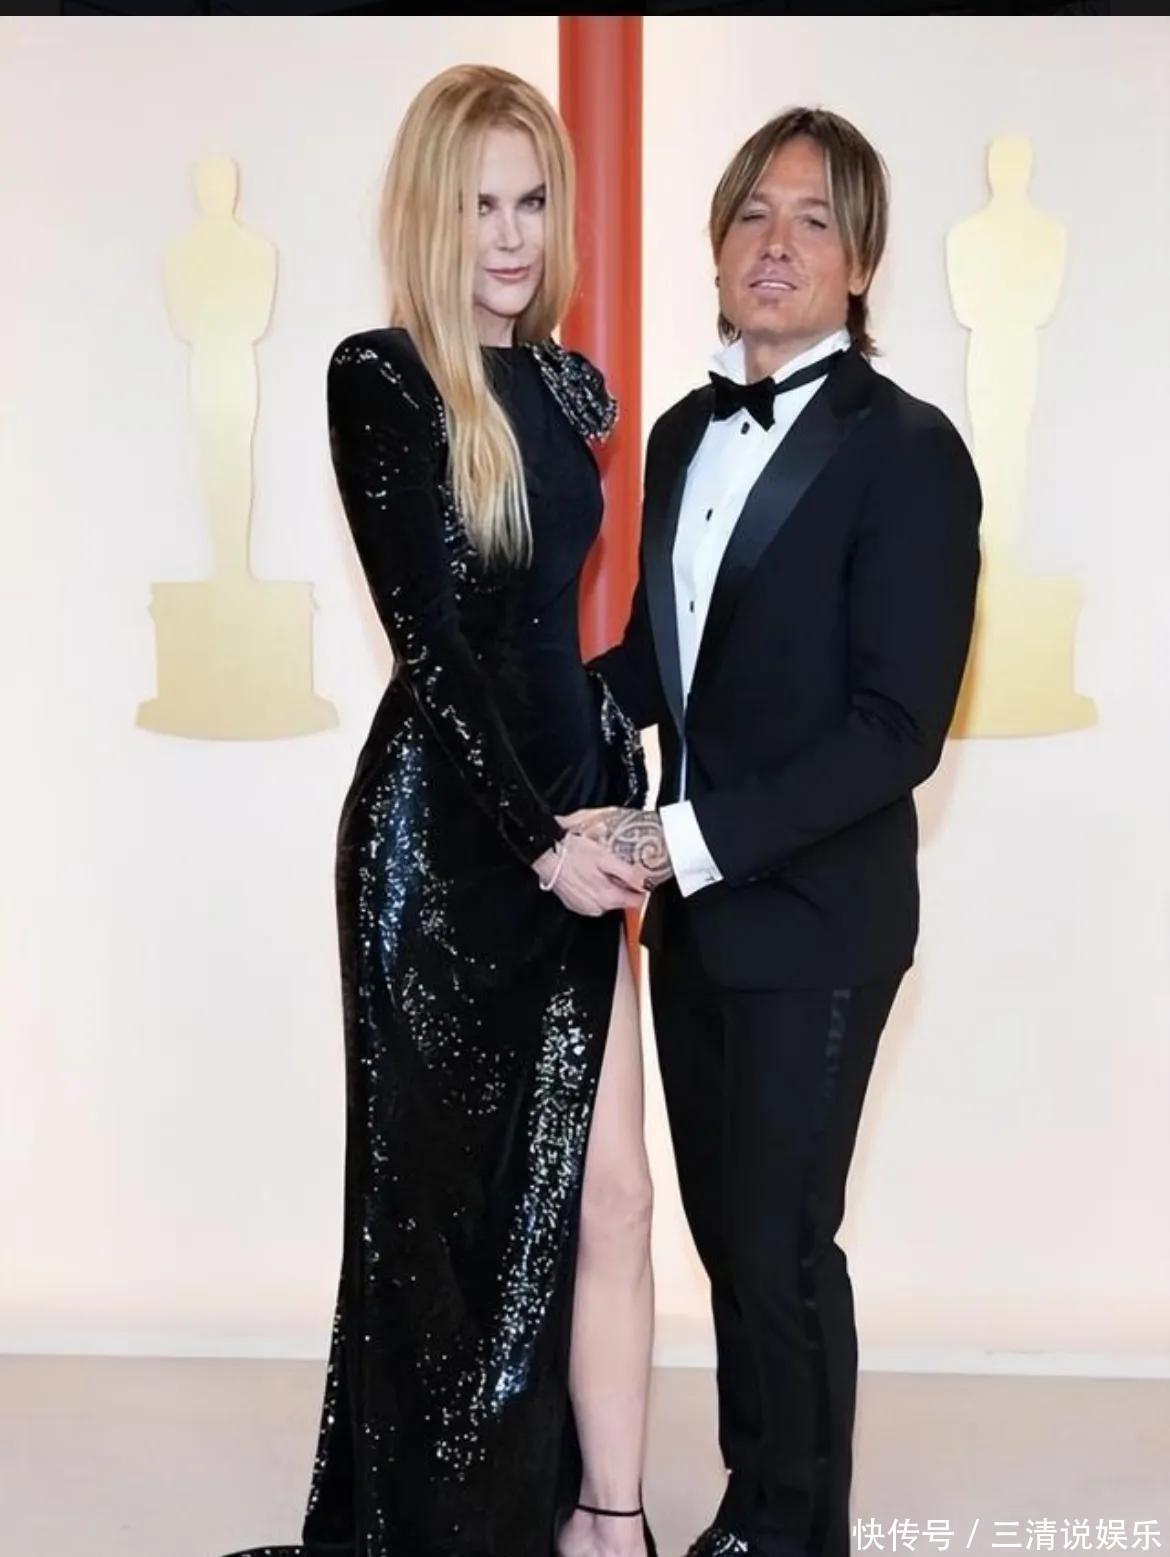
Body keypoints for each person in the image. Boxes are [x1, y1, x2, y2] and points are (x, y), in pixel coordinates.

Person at [220, 64, 658, 1557]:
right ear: (429, 214)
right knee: (438, 1219)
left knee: (608, 1190)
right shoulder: (384, 379)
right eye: (479, 206)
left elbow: (550, 635)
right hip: (444, 846)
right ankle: (440, 1528)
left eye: (530, 200)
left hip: (568, 829)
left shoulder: (571, 386)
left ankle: (606, 1518)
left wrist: (612, 782)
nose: (510, 235)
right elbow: (437, 648)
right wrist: (538, 840)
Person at [568, 108, 982, 1557]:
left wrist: (676, 839)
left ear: (860, 261)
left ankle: (792, 1531)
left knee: (781, 1243)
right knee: (727, 1241)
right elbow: (660, 661)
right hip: (695, 920)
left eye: (813, 219)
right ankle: (759, 1505)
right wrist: (529, 715)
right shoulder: (683, 434)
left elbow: (895, 728)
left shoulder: (909, 452)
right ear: (717, 245)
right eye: (752, 212)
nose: (776, 243)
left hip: (818, 919)